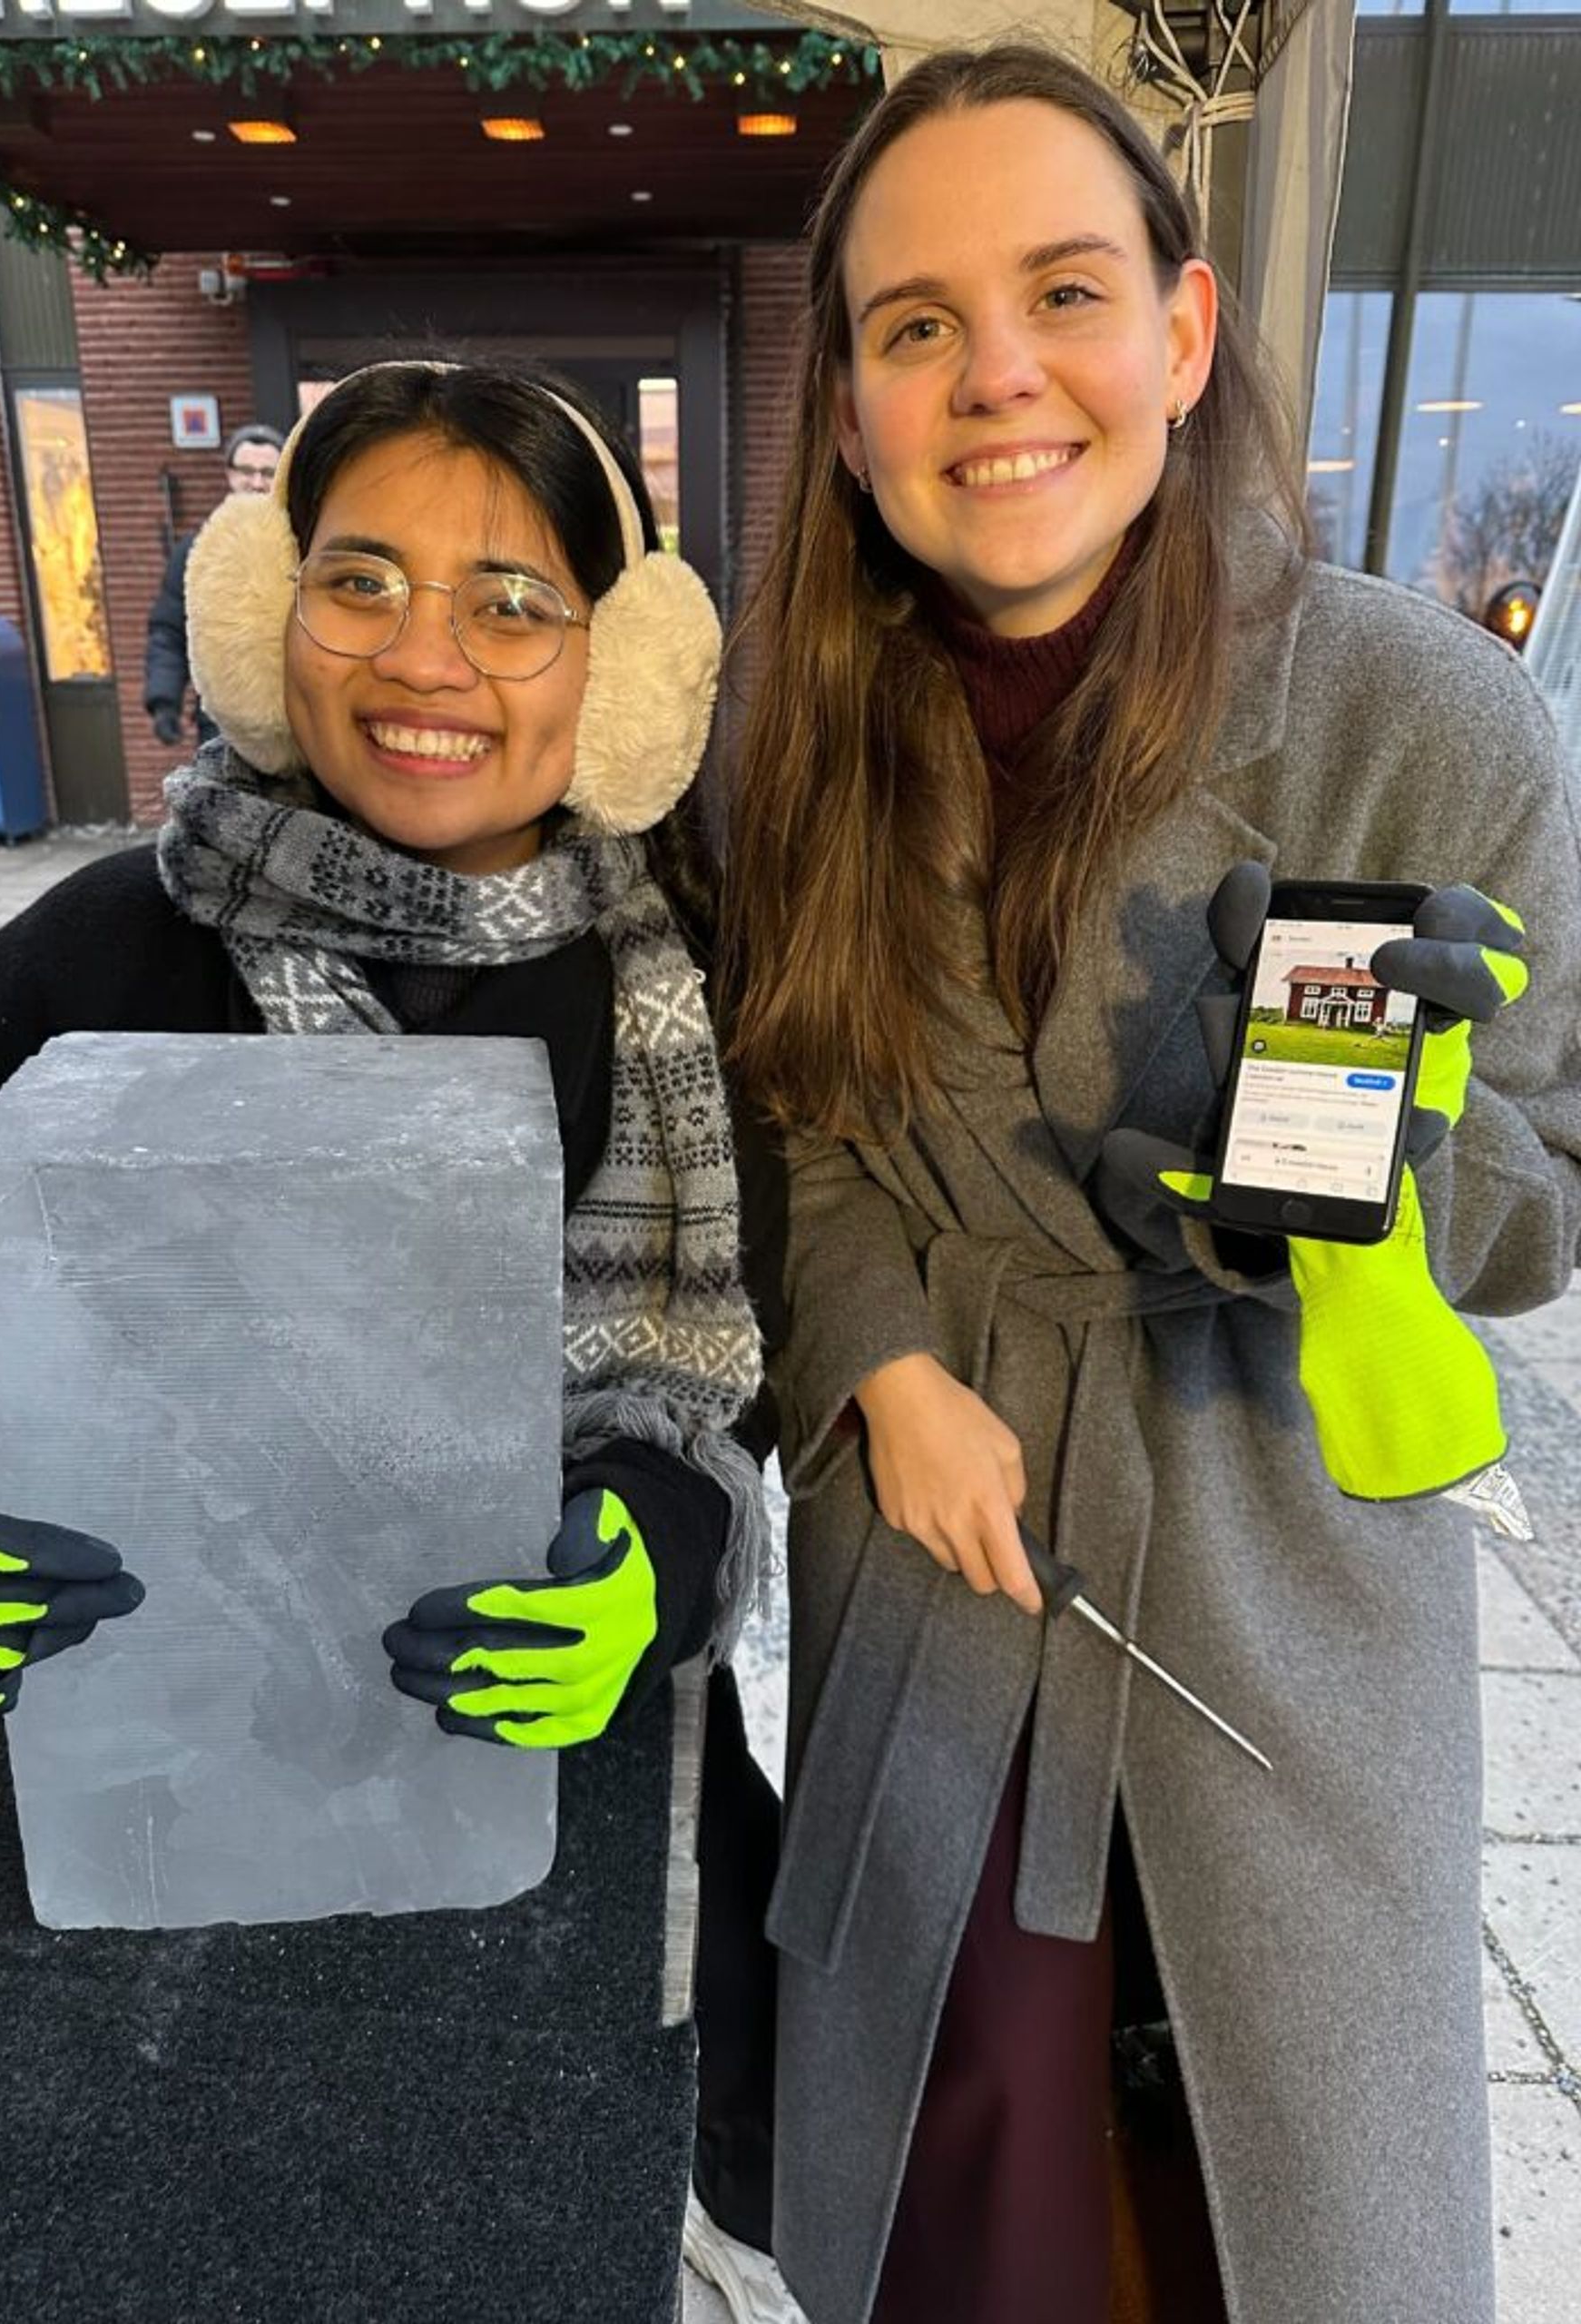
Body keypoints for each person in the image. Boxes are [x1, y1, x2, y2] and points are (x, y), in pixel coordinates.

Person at [718, 43, 1581, 2324]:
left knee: (1282, 2183)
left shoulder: (1425, 716)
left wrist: (1386, 1172)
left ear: (1182, 336)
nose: (996, 376)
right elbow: (789, 1116)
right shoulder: (789, 745)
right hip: (945, 1539)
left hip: (1265, 1538)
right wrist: (878, 1355)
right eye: (914, 325)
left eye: (1065, 292)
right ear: (849, 406)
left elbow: (1548, 1180)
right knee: (967, 2170)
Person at [0, 359, 768, 2322]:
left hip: (549, 1800)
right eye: (362, 582)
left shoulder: (700, 998)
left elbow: (748, 1374)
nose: (429, 654)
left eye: (514, 601)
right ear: (269, 617)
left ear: (623, 665)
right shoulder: (95, 953)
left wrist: (655, 1562)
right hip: (163, 1773)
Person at [143, 419, 284, 748]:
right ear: (230, 474)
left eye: (268, 473)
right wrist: (165, 699)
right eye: (247, 471)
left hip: (292, 721)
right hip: (221, 725)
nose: (256, 482)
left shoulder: (303, 543)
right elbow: (169, 629)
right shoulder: (197, 551)